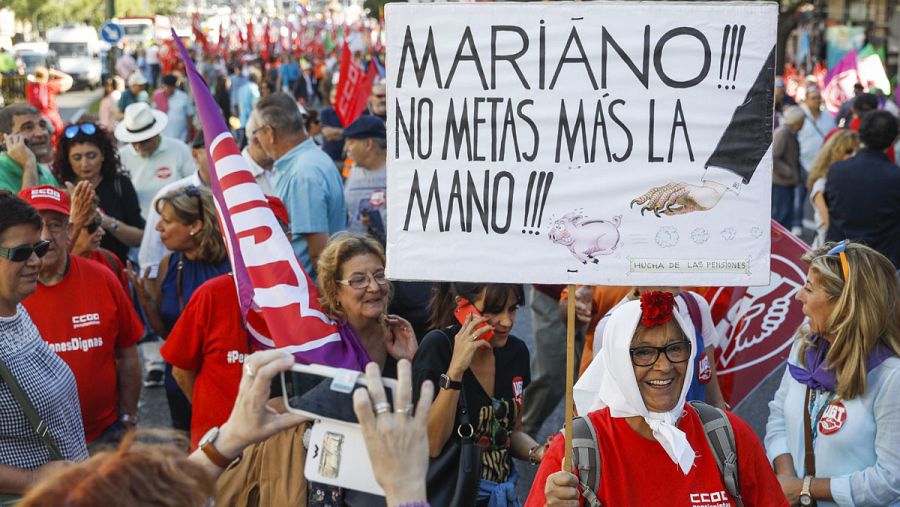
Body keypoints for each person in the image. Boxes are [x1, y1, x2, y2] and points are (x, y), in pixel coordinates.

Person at [527, 292, 787, 506]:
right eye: (644, 352)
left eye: (675, 348)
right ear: (618, 361)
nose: (664, 366)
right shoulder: (573, 452)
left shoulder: (730, 437)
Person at [215, 232, 418, 506]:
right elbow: (272, 404)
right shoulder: (313, 339)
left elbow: (410, 408)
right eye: (358, 279)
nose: (374, 287)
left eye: (379, 275)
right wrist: (330, 396)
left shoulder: (397, 334)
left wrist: (409, 360)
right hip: (314, 470)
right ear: (335, 291)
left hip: (378, 473)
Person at [765, 242, 900, 506]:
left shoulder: (890, 375)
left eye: (809, 288)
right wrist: (786, 480)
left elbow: (890, 479)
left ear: (844, 306)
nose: (797, 296)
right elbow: (778, 414)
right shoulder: (805, 346)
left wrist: (806, 489)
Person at [159, 196, 290, 449]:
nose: (258, 243)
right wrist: (213, 417)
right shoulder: (211, 294)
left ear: (287, 239)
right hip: (218, 447)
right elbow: (180, 370)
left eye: (269, 233)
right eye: (247, 233)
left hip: (278, 448)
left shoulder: (306, 299)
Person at [18, 185, 142, 446]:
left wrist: (129, 419)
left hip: (104, 437)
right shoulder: (9, 291)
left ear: (69, 230)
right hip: (35, 445)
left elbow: (128, 354)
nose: (46, 235)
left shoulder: (103, 277)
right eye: (36, 226)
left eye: (55, 225)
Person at [413, 282, 542, 506]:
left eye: (513, 308)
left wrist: (539, 452)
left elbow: (512, 433)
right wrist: (456, 370)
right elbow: (432, 444)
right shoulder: (438, 348)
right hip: (455, 496)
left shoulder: (516, 352)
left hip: (504, 496)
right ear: (462, 306)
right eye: (493, 310)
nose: (507, 321)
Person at [0, 190, 88, 496]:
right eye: (22, 253)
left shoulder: (17, 310)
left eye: (39, 247)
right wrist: (31, 481)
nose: (37, 260)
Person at [129, 185, 230, 431]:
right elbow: (169, 334)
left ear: (194, 226)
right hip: (177, 384)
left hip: (219, 385)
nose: (157, 228)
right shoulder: (170, 264)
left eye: (167, 221)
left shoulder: (232, 265)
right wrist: (146, 301)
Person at [254, 92, 346, 279]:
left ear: (270, 133)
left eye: (257, 133)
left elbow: (319, 252)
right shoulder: (312, 160)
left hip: (310, 297)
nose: (258, 141)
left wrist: (325, 304)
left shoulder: (302, 173)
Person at [54, 121, 145, 262]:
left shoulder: (120, 184)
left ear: (103, 155)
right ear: (68, 160)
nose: (85, 164)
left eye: (91, 156)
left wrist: (103, 220)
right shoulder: (61, 189)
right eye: (77, 157)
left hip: (117, 267)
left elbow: (139, 238)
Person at [824, 111, 900, 268]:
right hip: (880, 263)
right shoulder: (895, 176)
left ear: (860, 134)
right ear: (893, 139)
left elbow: (831, 206)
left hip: (840, 259)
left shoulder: (837, 170)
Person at [115, 103, 195, 220]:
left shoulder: (179, 149)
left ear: (155, 134)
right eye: (133, 142)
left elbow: (194, 184)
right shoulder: (121, 156)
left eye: (143, 141)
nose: (138, 147)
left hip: (177, 222)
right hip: (139, 224)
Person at [805, 130, 859, 248]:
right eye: (849, 151)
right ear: (835, 152)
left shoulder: (852, 179)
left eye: (857, 152)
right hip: (828, 249)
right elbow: (828, 224)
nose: (854, 155)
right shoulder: (822, 184)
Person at [795, 87, 836, 236]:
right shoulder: (800, 116)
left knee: (820, 196)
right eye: (813, 98)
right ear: (806, 100)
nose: (817, 100)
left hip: (822, 165)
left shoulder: (828, 118)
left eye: (818, 97)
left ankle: (818, 227)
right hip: (802, 163)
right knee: (799, 195)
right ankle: (797, 223)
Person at [343, 115, 386, 236]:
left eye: (351, 143)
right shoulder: (353, 170)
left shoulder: (396, 173)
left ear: (368, 144)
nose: (346, 148)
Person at [0, 104, 59, 193]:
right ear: (3, 138)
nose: (40, 133)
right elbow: (25, 207)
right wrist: (29, 165)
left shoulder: (46, 175)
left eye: (42, 125)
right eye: (28, 127)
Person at [772, 106, 805, 230]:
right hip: (781, 182)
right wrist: (789, 172)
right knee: (781, 216)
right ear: (797, 121)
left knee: (785, 216)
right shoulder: (783, 133)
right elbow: (774, 157)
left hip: (786, 182)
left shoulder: (789, 133)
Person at [25, 67, 73, 136]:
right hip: (51, 117)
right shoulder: (50, 86)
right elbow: (69, 80)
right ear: (46, 76)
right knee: (58, 137)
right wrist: (54, 72)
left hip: (35, 118)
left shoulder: (29, 86)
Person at [157, 74, 195, 143]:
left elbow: (189, 115)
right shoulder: (158, 96)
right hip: (163, 136)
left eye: (169, 87)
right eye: (165, 86)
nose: (167, 89)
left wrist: (189, 133)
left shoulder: (183, 97)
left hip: (181, 136)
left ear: (174, 87)